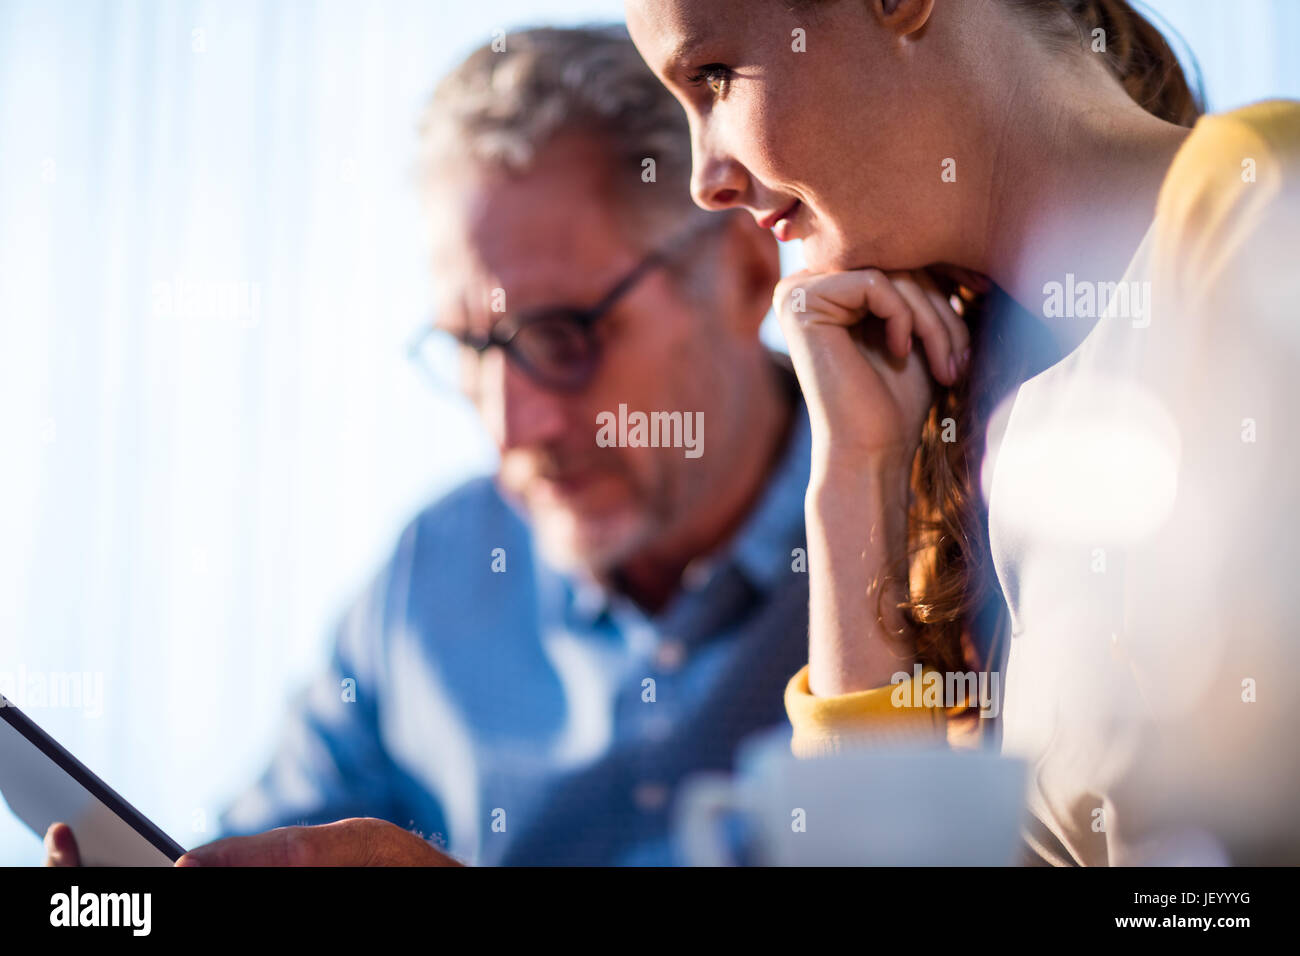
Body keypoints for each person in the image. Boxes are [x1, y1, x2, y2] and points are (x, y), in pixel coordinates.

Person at [45, 24, 812, 867]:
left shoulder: (925, 541)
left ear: (744, 274)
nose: (515, 429)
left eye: (562, 338)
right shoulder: (428, 585)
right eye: (473, 350)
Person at [627, 0, 1300, 864]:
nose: (703, 178)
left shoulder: (1262, 201)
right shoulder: (963, 402)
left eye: (715, 77)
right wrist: (858, 478)